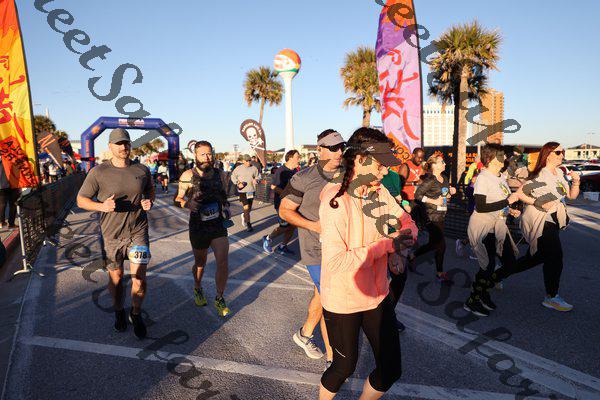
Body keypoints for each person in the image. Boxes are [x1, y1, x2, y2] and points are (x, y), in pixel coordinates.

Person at [318, 127, 418, 399]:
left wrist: (399, 251)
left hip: (377, 295)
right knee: (343, 367)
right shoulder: (335, 201)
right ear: (361, 160)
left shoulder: (378, 191)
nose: (385, 172)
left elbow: (407, 222)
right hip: (343, 299)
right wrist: (388, 245)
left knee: (391, 368)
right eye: (380, 165)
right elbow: (337, 262)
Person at [77, 128, 154, 338]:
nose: (123, 147)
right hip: (111, 235)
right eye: (118, 143)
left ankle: (135, 313)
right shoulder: (98, 172)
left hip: (138, 231)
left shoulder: (142, 169)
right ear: (110, 146)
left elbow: (149, 190)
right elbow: (81, 200)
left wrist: (148, 201)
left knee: (140, 278)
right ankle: (119, 310)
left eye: (126, 143)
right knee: (117, 277)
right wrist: (102, 206)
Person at [279, 129, 344, 368]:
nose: (339, 152)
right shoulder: (303, 178)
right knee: (331, 300)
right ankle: (333, 360)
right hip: (315, 248)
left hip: (342, 247)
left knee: (322, 293)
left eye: (341, 147)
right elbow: (284, 211)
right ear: (319, 149)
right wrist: (314, 226)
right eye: (333, 148)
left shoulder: (348, 173)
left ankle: (305, 334)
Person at [495, 142, 580, 312]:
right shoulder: (541, 175)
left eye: (563, 151)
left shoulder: (559, 173)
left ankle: (497, 275)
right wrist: (540, 202)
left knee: (534, 258)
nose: (562, 155)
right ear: (548, 155)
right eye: (558, 152)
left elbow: (571, 196)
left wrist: (576, 181)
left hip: (554, 219)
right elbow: (520, 194)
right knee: (555, 256)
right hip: (541, 220)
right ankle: (551, 297)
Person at [462, 144, 524, 317]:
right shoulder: (483, 178)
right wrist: (507, 202)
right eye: (500, 155)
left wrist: (510, 210)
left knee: (510, 264)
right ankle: (473, 300)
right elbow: (481, 206)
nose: (504, 158)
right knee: (487, 266)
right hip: (483, 226)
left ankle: (482, 291)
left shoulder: (500, 177)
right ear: (489, 158)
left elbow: (499, 201)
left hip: (498, 226)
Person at [175, 141, 231, 317]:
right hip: (198, 226)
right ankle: (198, 287)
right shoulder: (187, 175)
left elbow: (224, 196)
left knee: (223, 261)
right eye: (203, 154)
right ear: (195, 156)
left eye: (209, 154)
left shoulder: (220, 174)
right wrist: (187, 204)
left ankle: (219, 297)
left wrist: (226, 206)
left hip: (217, 225)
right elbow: (177, 198)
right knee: (200, 263)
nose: (207, 157)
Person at [410, 152, 456, 283]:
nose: (445, 163)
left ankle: (412, 255)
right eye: (442, 162)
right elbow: (418, 195)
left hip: (442, 214)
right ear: (434, 165)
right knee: (441, 245)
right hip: (431, 216)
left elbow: (444, 195)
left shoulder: (444, 178)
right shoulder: (430, 180)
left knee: (433, 243)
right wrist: (434, 201)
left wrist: (450, 192)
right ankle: (439, 273)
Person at [263, 150, 300, 255]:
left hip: (293, 203)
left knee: (292, 226)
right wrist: (287, 194)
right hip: (282, 204)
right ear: (290, 158)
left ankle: (282, 246)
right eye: (297, 157)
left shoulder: (295, 171)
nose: (299, 159)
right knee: (285, 226)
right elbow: (273, 186)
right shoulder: (281, 171)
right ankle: (268, 238)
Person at [230, 155, 260, 232]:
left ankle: (244, 215)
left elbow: (258, 176)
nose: (248, 162)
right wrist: (237, 183)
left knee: (249, 209)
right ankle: (249, 225)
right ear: (243, 161)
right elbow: (233, 176)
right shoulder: (238, 169)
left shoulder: (254, 168)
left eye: (249, 160)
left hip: (251, 191)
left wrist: (256, 180)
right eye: (247, 161)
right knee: (246, 207)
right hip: (242, 191)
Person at [398, 147, 425, 215]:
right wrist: (414, 183)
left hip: (419, 198)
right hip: (407, 199)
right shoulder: (405, 166)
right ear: (413, 155)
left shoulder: (422, 166)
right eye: (419, 157)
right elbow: (399, 182)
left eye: (422, 158)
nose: (420, 160)